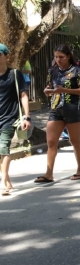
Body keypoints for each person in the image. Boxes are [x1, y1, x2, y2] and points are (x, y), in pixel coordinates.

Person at [35, 44, 80, 183]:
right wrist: (48, 91)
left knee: (75, 141)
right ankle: (49, 173)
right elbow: (49, 87)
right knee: (51, 142)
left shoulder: (77, 71)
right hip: (56, 108)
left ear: (69, 56)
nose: (58, 59)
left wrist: (64, 90)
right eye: (56, 57)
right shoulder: (52, 71)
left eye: (61, 57)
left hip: (72, 109)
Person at [0, 44, 31, 195]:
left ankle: (4, 181)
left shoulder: (14, 74)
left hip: (9, 118)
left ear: (6, 56)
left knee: (3, 147)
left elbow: (24, 95)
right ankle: (8, 182)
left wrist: (26, 116)